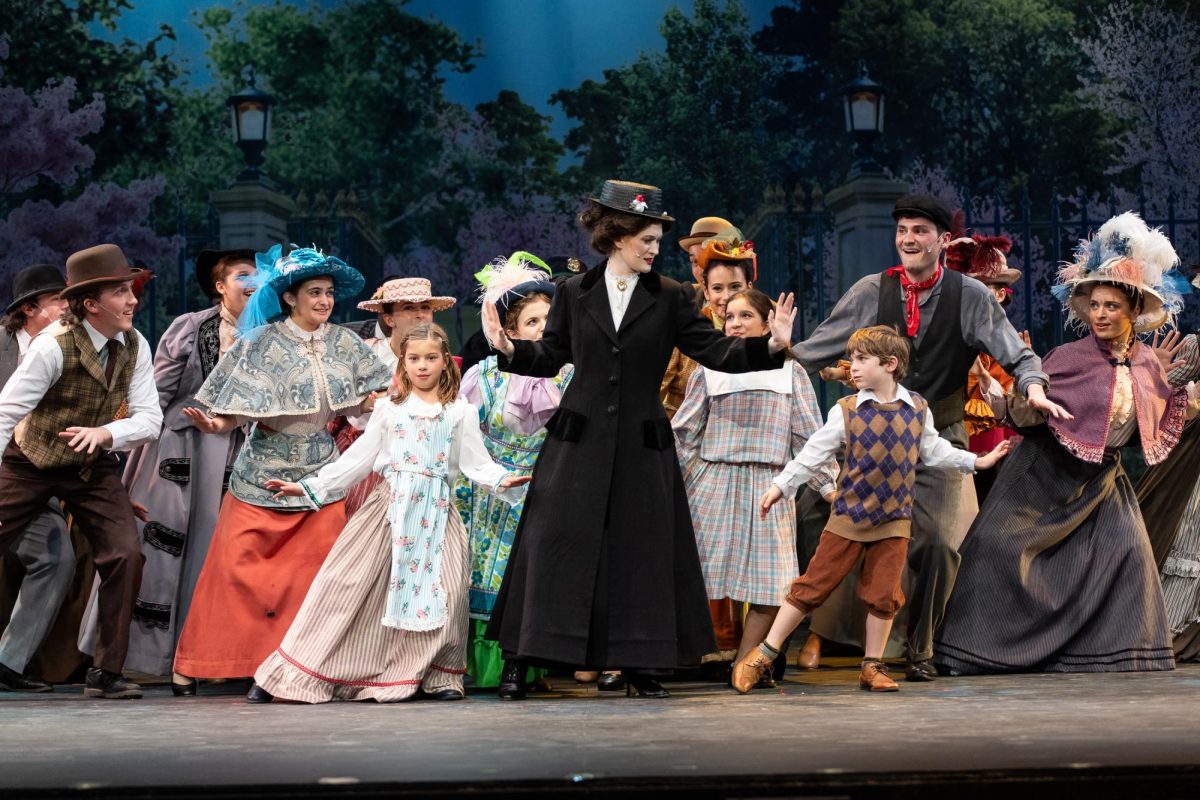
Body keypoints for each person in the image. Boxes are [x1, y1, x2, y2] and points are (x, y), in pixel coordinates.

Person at [482, 180, 796, 699]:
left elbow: (716, 351)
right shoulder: (573, 293)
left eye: (656, 239)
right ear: (616, 236)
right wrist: (510, 349)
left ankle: (641, 664)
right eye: (646, 238)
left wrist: (770, 346)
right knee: (552, 545)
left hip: (642, 444)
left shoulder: (671, 297)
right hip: (577, 440)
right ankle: (523, 657)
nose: (654, 248)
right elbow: (551, 355)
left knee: (642, 554)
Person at [790, 193, 1059, 681]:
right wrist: (770, 354)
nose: (909, 240)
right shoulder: (873, 290)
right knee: (837, 527)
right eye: (902, 231)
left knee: (935, 543)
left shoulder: (970, 295)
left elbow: (1015, 355)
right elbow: (820, 346)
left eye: (919, 231)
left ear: (941, 240)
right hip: (876, 435)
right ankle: (823, 633)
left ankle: (921, 646)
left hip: (941, 432)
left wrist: (1034, 387)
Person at [935, 212, 1195, 675]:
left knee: (1130, 556)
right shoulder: (1067, 358)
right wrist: (1009, 401)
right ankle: (974, 651)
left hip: (1101, 481)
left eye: (1111, 306)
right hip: (1042, 474)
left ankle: (1115, 652)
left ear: (1133, 311)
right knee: (995, 547)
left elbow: (1156, 411)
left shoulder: (1146, 363)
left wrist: (1185, 400)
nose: (1100, 314)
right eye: (1094, 305)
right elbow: (1027, 412)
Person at [252, 323, 528, 703]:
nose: (423, 366)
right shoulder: (388, 410)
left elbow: (476, 463)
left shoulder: (459, 413)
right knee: (345, 589)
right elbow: (358, 461)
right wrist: (309, 486)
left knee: (446, 591)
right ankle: (293, 671)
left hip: (436, 513)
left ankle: (437, 676)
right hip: (388, 511)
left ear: (445, 361)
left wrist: (502, 480)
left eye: (431, 358)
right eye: (414, 359)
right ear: (403, 363)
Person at [732, 325, 1010, 694]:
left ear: (890, 364)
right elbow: (814, 453)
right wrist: (780, 485)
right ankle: (764, 653)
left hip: (894, 519)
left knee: (883, 594)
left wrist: (978, 462)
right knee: (813, 586)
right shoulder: (847, 410)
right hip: (849, 517)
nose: (853, 368)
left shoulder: (916, 410)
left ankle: (872, 666)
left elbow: (936, 451)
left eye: (862, 360)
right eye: (853, 360)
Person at [172, 244, 392, 700]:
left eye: (329, 293)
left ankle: (305, 665)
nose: (325, 301)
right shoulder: (259, 344)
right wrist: (215, 423)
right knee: (234, 571)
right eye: (314, 292)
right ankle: (203, 663)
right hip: (261, 474)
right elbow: (236, 411)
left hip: (319, 477)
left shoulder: (346, 344)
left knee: (319, 577)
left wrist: (375, 402)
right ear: (290, 297)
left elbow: (357, 403)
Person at [79, 249, 257, 694]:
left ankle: (210, 653)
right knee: (164, 550)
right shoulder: (192, 327)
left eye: (258, 276)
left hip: (241, 449)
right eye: (242, 275)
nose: (253, 283)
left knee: (221, 552)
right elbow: (156, 393)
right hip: (182, 449)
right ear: (220, 286)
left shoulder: (268, 334)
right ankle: (145, 656)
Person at [0, 244, 163, 699]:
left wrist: (106, 434)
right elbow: (5, 414)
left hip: (90, 468)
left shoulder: (135, 344)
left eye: (131, 290)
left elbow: (151, 420)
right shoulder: (52, 346)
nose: (133, 300)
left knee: (126, 554)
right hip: (30, 464)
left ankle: (105, 671)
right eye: (120, 293)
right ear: (91, 304)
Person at [672, 288, 836, 686]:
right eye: (729, 317)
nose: (735, 323)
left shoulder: (789, 371)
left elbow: (809, 437)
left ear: (767, 323)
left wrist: (830, 487)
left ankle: (746, 662)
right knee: (699, 576)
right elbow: (684, 433)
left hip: (769, 485)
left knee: (770, 582)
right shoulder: (710, 368)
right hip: (714, 479)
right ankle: (681, 656)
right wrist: (675, 481)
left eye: (746, 316)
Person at [457, 253, 572, 698]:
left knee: (527, 580)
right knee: (486, 576)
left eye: (549, 319)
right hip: (489, 494)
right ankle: (481, 668)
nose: (543, 328)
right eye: (532, 321)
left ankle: (526, 666)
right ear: (509, 330)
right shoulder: (484, 376)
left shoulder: (567, 376)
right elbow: (466, 436)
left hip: (541, 491)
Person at [0, 264, 73, 692]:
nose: (68, 309)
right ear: (31, 309)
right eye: (59, 302)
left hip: (37, 479)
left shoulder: (71, 347)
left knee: (56, 558)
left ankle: (8, 662)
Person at [333, 278, 457, 514]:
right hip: (365, 457)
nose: (420, 315)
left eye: (425, 308)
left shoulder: (440, 359)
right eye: (409, 308)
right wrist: (371, 403)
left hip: (420, 460)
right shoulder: (366, 352)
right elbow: (341, 405)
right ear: (389, 319)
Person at [944, 234, 1025, 503]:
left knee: (989, 500)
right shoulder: (947, 333)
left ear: (1000, 294)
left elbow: (1011, 394)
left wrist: (983, 375)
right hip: (947, 433)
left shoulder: (1004, 340)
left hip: (989, 434)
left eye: (983, 288)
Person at [1136, 331, 1200, 662]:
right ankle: (1172, 627)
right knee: (1190, 534)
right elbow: (1162, 392)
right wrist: (1153, 373)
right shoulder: (1197, 346)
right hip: (1194, 460)